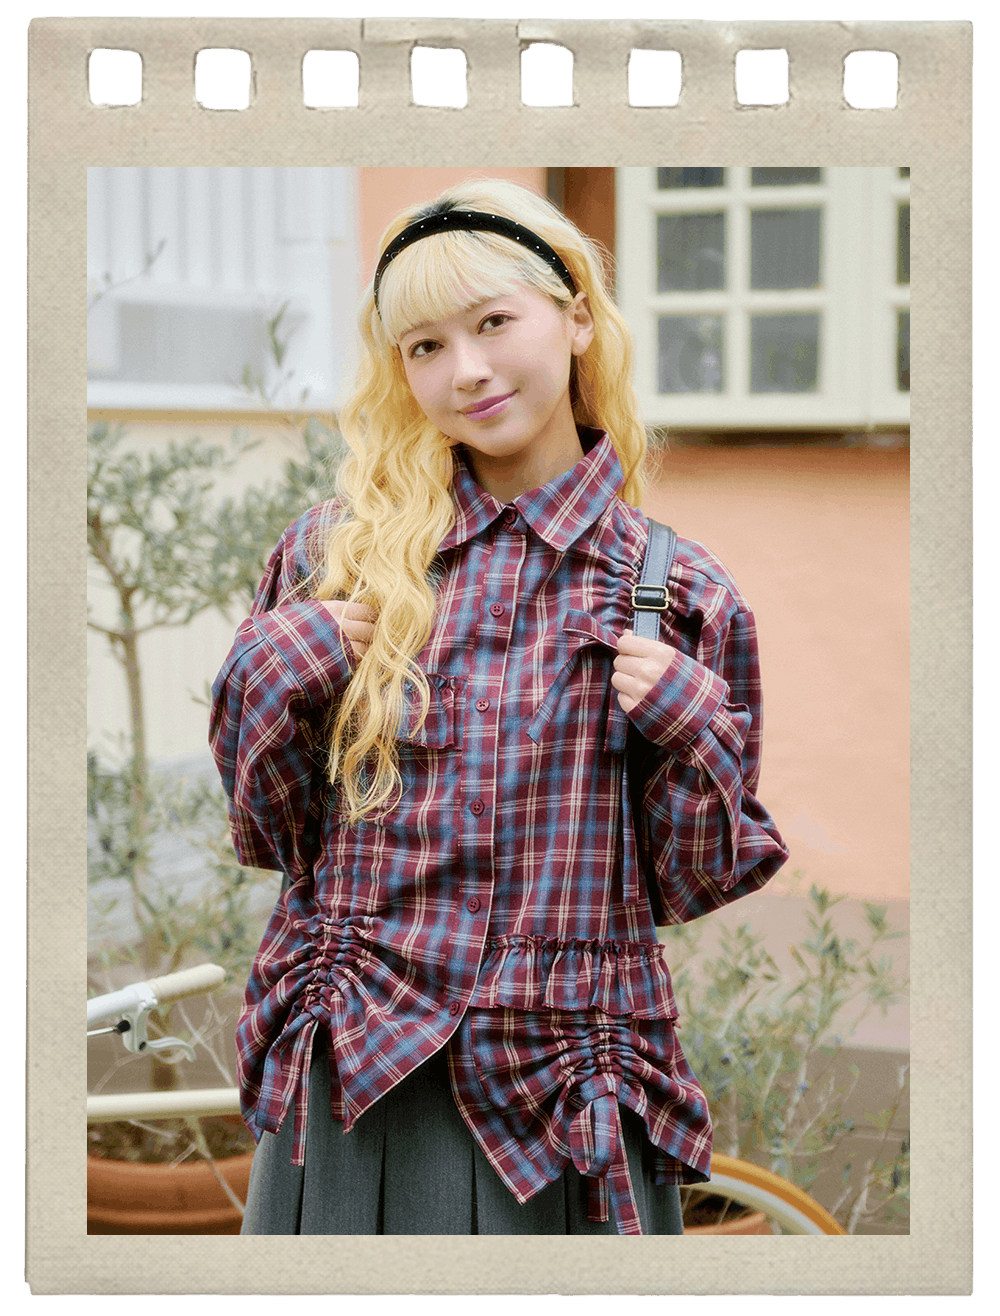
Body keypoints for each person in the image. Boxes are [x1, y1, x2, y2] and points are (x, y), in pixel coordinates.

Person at [209, 178, 789, 1236]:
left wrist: (695, 727)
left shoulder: (674, 591)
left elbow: (691, 880)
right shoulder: (337, 558)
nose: (464, 370)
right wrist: (270, 669)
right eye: (424, 346)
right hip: (357, 1077)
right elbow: (272, 835)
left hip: (561, 1088)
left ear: (576, 318)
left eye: (492, 323)